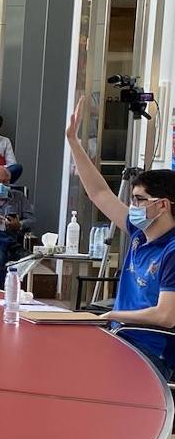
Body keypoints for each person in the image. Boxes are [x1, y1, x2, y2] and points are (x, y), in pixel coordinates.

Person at [66, 97, 175, 379]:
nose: (133, 206)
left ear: (162, 205)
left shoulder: (172, 251)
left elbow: (166, 316)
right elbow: (99, 194)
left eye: (139, 200)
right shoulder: (141, 231)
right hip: (124, 337)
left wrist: (114, 315)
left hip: (151, 349)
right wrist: (74, 143)